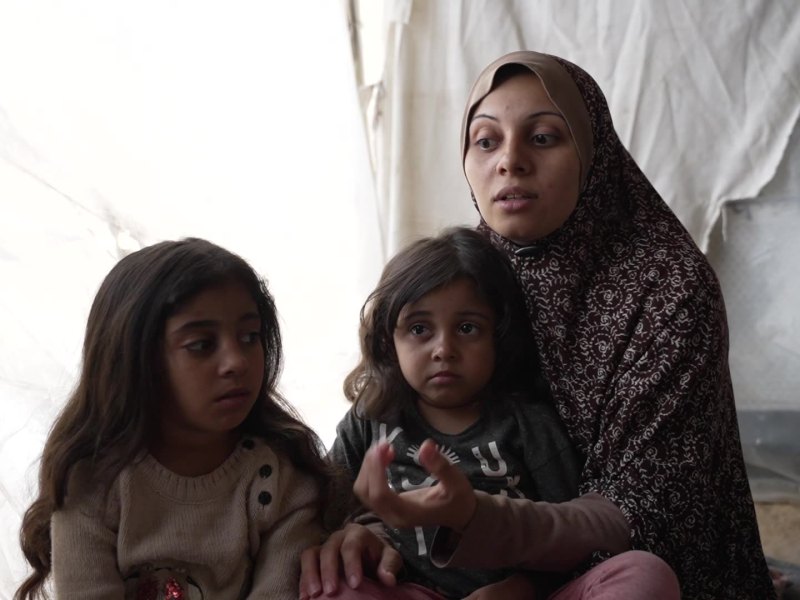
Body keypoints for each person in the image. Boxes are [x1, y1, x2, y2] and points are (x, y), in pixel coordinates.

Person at [302, 50, 776, 600]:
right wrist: (366, 532)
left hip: (616, 560)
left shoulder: (667, 285)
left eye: (544, 137)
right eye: (486, 140)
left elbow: (640, 512)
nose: (510, 161)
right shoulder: (466, 273)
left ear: (592, 153)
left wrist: (516, 572)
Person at [304, 227, 679, 600]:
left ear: (498, 337)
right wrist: (357, 534)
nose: (443, 349)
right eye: (420, 329)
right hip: (411, 590)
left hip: (524, 596)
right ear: (388, 341)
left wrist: (524, 587)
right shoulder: (371, 418)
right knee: (335, 586)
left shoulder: (526, 423)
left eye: (467, 328)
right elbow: (319, 511)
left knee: (645, 573)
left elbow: (574, 543)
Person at [15, 238, 345, 599]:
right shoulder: (92, 481)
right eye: (202, 344)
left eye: (250, 337)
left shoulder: (281, 482)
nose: (237, 361)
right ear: (134, 359)